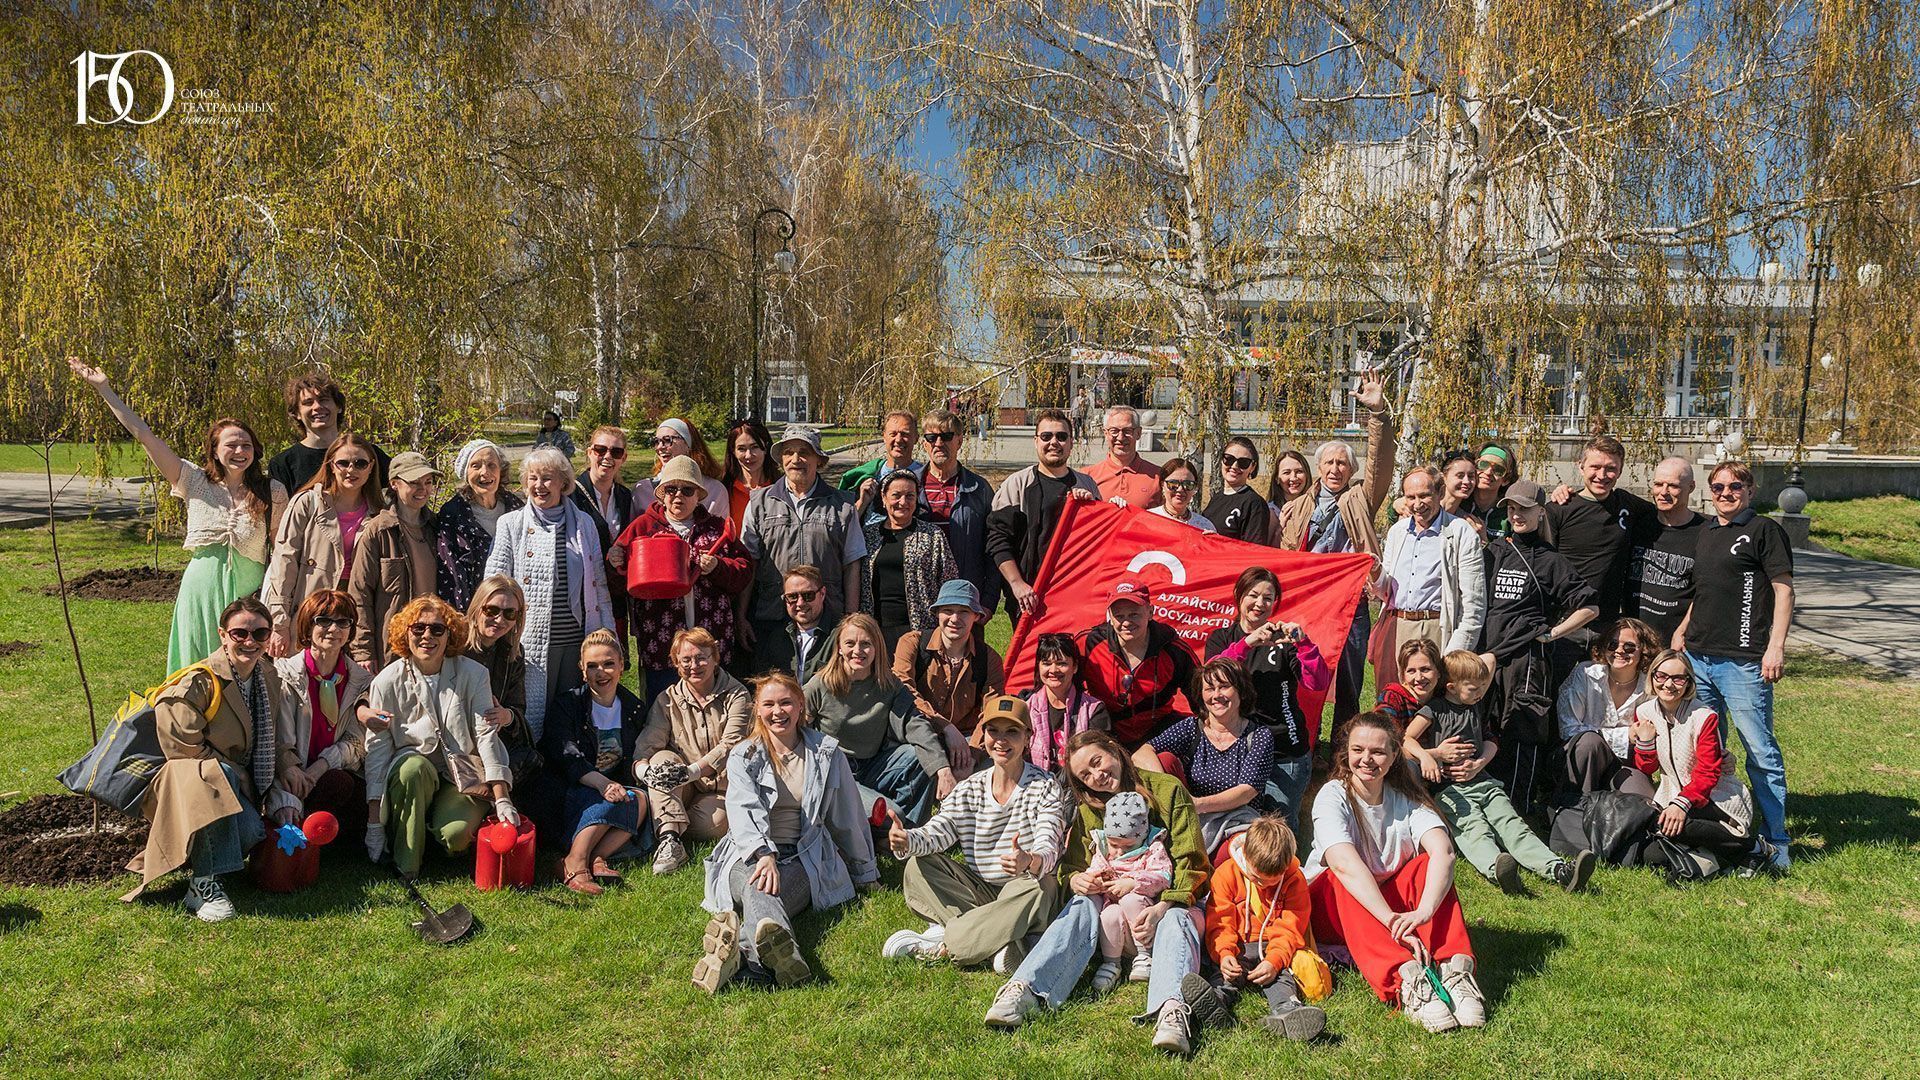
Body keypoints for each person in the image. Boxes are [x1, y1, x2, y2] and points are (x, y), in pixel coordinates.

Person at [983, 730, 1218, 1058]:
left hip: (1162, 910)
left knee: (1178, 917)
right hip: (1111, 922)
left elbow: (1192, 865)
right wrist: (1078, 879)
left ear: (1113, 749)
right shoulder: (1090, 807)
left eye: (1097, 761)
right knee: (1082, 901)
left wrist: (1162, 907)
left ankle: (1172, 1011)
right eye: (1085, 775)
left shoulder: (1166, 790)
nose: (1097, 776)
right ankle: (1026, 989)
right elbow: (1072, 866)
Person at [69, 357, 289, 673]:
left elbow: (281, 552)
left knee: (244, 671)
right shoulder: (193, 480)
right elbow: (146, 436)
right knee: (195, 671)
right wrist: (105, 390)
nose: (239, 451)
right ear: (215, 450)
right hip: (199, 589)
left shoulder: (273, 490)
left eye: (246, 445)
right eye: (231, 445)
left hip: (248, 593)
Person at [694, 672, 879, 992]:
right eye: (768, 704)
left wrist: (866, 873)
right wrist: (763, 854)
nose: (777, 711)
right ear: (758, 709)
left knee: (762, 891)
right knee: (758, 880)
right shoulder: (743, 755)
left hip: (802, 857)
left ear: (800, 706)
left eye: (785, 703)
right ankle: (781, 953)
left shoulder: (826, 753)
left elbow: (847, 816)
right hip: (746, 854)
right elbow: (742, 809)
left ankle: (742, 953)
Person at [1302, 711, 1484, 1033]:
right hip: (1330, 909)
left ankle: (1452, 969)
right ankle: (1406, 980)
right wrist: (1390, 921)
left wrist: (1424, 912)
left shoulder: (1407, 799)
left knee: (1426, 866)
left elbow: (1444, 852)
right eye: (1358, 750)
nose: (1366, 760)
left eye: (1377, 751)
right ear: (1347, 752)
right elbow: (1343, 862)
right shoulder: (1333, 795)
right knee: (1341, 875)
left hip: (1387, 907)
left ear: (1394, 754)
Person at [121, 597, 290, 920]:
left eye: (259, 634)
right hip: (185, 780)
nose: (250, 642)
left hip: (231, 778)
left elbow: (273, 733)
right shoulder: (197, 681)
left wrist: (288, 764)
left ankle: (200, 856)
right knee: (218, 776)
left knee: (253, 831)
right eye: (240, 633)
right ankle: (203, 885)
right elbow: (180, 747)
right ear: (222, 635)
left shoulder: (267, 675)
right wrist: (236, 773)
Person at [882, 696, 1070, 972]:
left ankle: (950, 942)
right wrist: (909, 839)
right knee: (917, 866)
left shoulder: (1045, 786)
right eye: (994, 731)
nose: (1001, 740)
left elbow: (1049, 841)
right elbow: (941, 830)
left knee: (1043, 886)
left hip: (1021, 887)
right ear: (984, 737)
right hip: (979, 887)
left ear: (1028, 738)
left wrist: (1029, 859)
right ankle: (1005, 940)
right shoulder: (970, 787)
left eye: (1012, 732)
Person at [1675, 461, 1794, 871]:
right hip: (1699, 657)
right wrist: (1683, 630)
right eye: (1719, 486)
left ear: (1750, 488)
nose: (1726, 493)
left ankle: (1778, 840)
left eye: (1735, 486)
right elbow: (1704, 590)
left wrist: (1775, 647)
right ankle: (1725, 828)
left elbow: (1783, 591)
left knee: (1760, 751)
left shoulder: (1765, 531)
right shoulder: (1707, 532)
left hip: (1743, 662)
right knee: (1709, 751)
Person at [1405, 652, 1595, 895]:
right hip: (1450, 790)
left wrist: (1479, 764)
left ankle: (1558, 870)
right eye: (1474, 688)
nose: (1480, 693)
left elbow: (1489, 660)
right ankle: (1499, 870)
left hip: (1485, 783)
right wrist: (1428, 755)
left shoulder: (1474, 706)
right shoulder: (1435, 709)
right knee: (1474, 831)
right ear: (1451, 687)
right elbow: (1407, 738)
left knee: (1513, 825)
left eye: (1482, 687)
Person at [362, 596, 518, 877]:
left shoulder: (474, 674)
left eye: (437, 629)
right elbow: (377, 750)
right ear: (404, 633)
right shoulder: (386, 681)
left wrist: (502, 796)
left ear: (450, 635)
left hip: (461, 774)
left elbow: (486, 735)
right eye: (418, 628)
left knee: (456, 836)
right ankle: (406, 865)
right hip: (412, 774)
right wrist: (374, 823)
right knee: (413, 768)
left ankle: (435, 837)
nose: (427, 636)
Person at [1276, 371, 1396, 726]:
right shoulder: (1298, 506)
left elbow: (1379, 464)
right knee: (1303, 672)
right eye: (1328, 462)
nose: (1334, 469)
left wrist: (1378, 416)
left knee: (1348, 680)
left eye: (1341, 463)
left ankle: (1343, 745)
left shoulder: (1361, 498)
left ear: (1351, 469)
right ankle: (1305, 743)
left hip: (1351, 602)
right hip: (1309, 602)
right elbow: (1286, 555)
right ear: (1319, 467)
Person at [1478, 478, 1598, 812]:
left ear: (1540, 513)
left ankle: (1518, 807)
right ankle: (1485, 803)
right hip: (1488, 656)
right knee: (1486, 726)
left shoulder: (1550, 560)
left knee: (1521, 730)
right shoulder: (1494, 551)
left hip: (1527, 661)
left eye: (1524, 509)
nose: (1516, 515)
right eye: (1512, 508)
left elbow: (1590, 606)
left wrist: (1553, 633)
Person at [484, 447, 616, 742]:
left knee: (569, 714)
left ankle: (569, 773)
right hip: (528, 639)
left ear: (563, 482)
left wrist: (608, 633)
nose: (539, 485)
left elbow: (598, 583)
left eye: (547, 478)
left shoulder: (584, 523)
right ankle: (530, 771)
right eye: (533, 478)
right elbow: (493, 582)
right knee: (532, 711)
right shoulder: (511, 523)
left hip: (575, 639)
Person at [614, 456, 752, 706]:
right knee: (663, 708)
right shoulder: (643, 527)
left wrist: (719, 567)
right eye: (671, 489)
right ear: (660, 494)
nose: (678, 496)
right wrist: (615, 561)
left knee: (715, 706)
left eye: (687, 490)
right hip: (661, 639)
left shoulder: (717, 528)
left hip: (711, 637)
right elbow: (619, 577)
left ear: (699, 495)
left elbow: (744, 570)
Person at [1204, 567, 1330, 827]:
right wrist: (1247, 644)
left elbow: (1317, 682)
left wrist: (1304, 644)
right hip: (1236, 749)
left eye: (1268, 598)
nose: (1259, 603)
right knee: (1236, 825)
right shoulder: (1222, 638)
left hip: (1283, 751)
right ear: (1239, 596)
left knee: (1277, 828)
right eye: (1253, 595)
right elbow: (1213, 675)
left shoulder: (1284, 641)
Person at [1627, 650, 1767, 879]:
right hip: (1671, 792)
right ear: (1652, 677)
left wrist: (1681, 804)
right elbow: (1647, 768)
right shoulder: (1644, 711)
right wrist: (1645, 742)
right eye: (1661, 676)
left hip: (1714, 795)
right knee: (1654, 847)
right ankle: (1713, 858)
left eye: (1678, 679)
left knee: (1681, 826)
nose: (1668, 684)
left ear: (1688, 683)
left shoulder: (1704, 716)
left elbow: (1708, 773)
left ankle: (1752, 848)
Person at [804, 614, 952, 821]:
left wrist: (942, 768)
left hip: (875, 765)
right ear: (839, 647)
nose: (857, 651)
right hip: (837, 774)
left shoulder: (889, 685)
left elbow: (916, 725)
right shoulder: (820, 685)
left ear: (876, 648)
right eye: (850, 643)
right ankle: (891, 826)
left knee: (918, 755)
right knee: (892, 814)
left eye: (866, 644)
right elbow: (795, 726)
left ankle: (909, 834)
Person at [742, 425, 865, 667]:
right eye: (789, 452)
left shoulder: (842, 506)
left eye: (804, 452)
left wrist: (850, 619)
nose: (796, 459)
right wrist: (741, 615)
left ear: (818, 460)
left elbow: (852, 565)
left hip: (828, 619)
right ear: (781, 460)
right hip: (772, 615)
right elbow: (749, 562)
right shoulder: (759, 503)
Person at [636, 627, 752, 875]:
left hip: (721, 788)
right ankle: (670, 840)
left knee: (716, 824)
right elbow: (647, 745)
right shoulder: (667, 699)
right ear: (676, 664)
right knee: (661, 760)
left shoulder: (737, 694)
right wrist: (646, 772)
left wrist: (691, 772)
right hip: (682, 785)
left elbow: (730, 745)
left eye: (701, 657)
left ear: (715, 658)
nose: (694, 665)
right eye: (685, 660)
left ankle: (665, 815)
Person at [1202, 815, 1328, 1041]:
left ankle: (1287, 1010)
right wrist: (1224, 954)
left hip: (1272, 947)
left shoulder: (1294, 880)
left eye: (1272, 882)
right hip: (1239, 946)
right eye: (1257, 879)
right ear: (1246, 857)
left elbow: (1290, 926)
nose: (1263, 886)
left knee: (1281, 976)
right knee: (1226, 975)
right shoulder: (1225, 874)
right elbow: (1220, 921)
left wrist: (1274, 960)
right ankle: (1214, 1002)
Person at [541, 629, 647, 896]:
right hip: (571, 790)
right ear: (582, 670)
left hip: (610, 789)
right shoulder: (568, 704)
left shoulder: (634, 708)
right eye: (593, 666)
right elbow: (566, 757)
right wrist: (603, 784)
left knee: (642, 799)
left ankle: (597, 857)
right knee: (607, 798)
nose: (601, 672)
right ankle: (573, 861)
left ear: (622, 666)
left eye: (609, 664)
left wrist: (617, 785)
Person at [1542, 435, 1656, 676]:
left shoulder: (1629, 505)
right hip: (1564, 622)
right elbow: (1544, 563)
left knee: (1600, 698)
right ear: (1580, 466)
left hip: (1607, 624)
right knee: (1554, 691)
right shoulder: (1560, 508)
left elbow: (1669, 515)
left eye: (1611, 468)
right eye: (1595, 467)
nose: (1602, 475)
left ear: (1621, 470)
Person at [264, 434, 384, 658]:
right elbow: (284, 563)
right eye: (343, 463)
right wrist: (279, 622)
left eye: (360, 463)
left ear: (371, 467)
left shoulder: (380, 512)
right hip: (311, 604)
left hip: (358, 609)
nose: (351, 470)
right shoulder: (307, 503)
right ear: (331, 465)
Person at [272, 590, 378, 842]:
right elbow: (279, 739)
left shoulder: (361, 681)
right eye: (324, 621)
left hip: (330, 771)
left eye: (343, 622)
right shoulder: (284, 675)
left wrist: (322, 765)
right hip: (290, 774)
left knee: (342, 784)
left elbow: (356, 741)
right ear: (308, 627)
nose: (334, 629)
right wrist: (292, 769)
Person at [1135, 659, 1274, 851]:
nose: (1216, 695)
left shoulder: (1259, 735)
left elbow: (1246, 791)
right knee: (1164, 759)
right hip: (1191, 815)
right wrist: (1171, 789)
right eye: (1209, 689)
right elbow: (1142, 754)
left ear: (1241, 691)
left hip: (1236, 818)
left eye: (1224, 687)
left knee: (1229, 855)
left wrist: (1197, 804)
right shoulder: (1191, 727)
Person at [1370, 465, 1486, 693]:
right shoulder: (1398, 531)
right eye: (1410, 497)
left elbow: (1474, 603)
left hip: (1436, 628)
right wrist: (1375, 572)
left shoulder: (1460, 532)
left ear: (1440, 493)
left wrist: (1455, 653)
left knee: (1432, 705)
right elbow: (1387, 592)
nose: (1417, 504)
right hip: (1396, 624)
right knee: (1390, 700)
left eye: (1424, 495)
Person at [987, 408, 1099, 626]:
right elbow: (997, 541)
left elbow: (1099, 540)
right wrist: (1017, 584)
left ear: (1071, 442)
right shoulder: (1017, 484)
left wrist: (1092, 507)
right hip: (1030, 596)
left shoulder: (1087, 485)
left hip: (1075, 595)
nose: (1054, 442)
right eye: (1046, 436)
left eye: (1061, 436)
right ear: (1036, 441)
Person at [892, 579, 1003, 782]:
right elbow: (904, 691)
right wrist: (944, 727)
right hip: (921, 734)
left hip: (968, 737)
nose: (954, 618)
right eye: (948, 610)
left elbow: (991, 711)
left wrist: (971, 756)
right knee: (913, 760)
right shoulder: (912, 644)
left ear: (976, 617)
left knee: (997, 769)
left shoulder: (989, 659)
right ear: (937, 613)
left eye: (964, 612)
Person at [346, 451, 442, 674]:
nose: (423, 489)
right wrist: (363, 650)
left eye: (428, 482)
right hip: (392, 647)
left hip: (432, 643)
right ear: (395, 484)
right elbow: (360, 594)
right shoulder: (378, 531)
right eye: (415, 483)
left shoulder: (437, 528)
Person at [1077, 577, 1197, 749]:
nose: (1126, 622)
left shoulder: (1174, 650)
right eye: (1119, 616)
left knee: (1170, 762)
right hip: (1104, 731)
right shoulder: (1088, 643)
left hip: (1158, 733)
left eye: (1134, 614)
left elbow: (1201, 696)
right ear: (1110, 616)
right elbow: (1062, 683)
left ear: (1150, 612)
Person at [859, 469, 959, 653]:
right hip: (875, 628)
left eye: (910, 496)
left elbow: (948, 580)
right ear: (884, 497)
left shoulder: (932, 535)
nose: (903, 502)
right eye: (896, 495)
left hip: (919, 627)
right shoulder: (868, 535)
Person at [1558, 618, 1660, 798]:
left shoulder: (1650, 685)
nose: (1619, 651)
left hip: (1626, 764)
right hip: (1583, 760)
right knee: (1589, 741)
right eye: (1612, 645)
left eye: (1628, 647)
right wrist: (1626, 735)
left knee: (1642, 802)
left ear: (1643, 650)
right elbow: (1569, 729)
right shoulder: (1585, 673)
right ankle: (1575, 805)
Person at [1083, 791, 1174, 990]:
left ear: (1141, 837)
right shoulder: (1105, 848)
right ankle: (1111, 962)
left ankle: (1144, 955)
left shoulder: (1152, 848)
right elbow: (1095, 868)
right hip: (1115, 911)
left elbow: (1163, 876)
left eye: (1128, 846)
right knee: (1108, 914)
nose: (1119, 852)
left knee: (1130, 900)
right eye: (1115, 845)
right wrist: (1093, 879)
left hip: (1141, 909)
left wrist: (1134, 883)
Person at [916, 407, 1001, 618]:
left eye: (946, 436)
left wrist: (989, 601)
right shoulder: (910, 488)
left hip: (965, 599)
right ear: (924, 442)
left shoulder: (979, 489)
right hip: (918, 596)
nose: (939, 443)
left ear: (959, 441)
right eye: (932, 437)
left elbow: (994, 547)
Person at [463, 575, 540, 790]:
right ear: (478, 607)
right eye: (492, 610)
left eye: (509, 613)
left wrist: (507, 716)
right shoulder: (454, 643)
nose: (499, 620)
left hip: (493, 739)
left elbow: (518, 708)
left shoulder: (512, 653)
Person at [266, 371, 392, 493]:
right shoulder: (282, 464)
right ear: (296, 413)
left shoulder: (369, 455)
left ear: (339, 407)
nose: (317, 407)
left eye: (324, 399)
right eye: (308, 402)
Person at [1625, 457, 1705, 648]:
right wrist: (1566, 493)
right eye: (1658, 484)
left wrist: (1684, 630)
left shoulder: (1705, 531)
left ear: (1691, 487)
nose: (1663, 492)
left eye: (1673, 486)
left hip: (1677, 642)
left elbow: (1706, 591)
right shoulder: (1637, 522)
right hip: (1632, 639)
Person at [435, 439, 523, 612]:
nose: (485, 472)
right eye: (476, 466)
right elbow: (451, 574)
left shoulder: (516, 507)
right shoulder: (453, 514)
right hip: (475, 612)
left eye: (492, 465)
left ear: (501, 470)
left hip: (513, 612)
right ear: (465, 473)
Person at [1025, 633, 1111, 774]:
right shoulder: (1026, 707)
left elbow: (1100, 759)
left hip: (1080, 787)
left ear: (1075, 667)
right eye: (1046, 663)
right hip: (1034, 786)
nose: (1053, 670)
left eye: (1061, 663)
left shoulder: (1094, 710)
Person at [633, 417, 729, 518]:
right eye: (656, 441)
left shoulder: (714, 491)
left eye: (667, 440)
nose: (660, 447)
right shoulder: (642, 490)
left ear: (687, 444)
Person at [754, 565, 837, 681]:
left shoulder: (840, 635)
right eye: (792, 597)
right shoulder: (775, 638)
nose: (800, 603)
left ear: (822, 594)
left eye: (808, 595)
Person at [841, 410, 923, 510]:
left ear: (916, 438)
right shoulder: (866, 475)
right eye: (893, 434)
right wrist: (862, 502)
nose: (898, 440)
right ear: (884, 436)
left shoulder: (924, 477)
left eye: (905, 434)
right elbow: (846, 522)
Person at [1087, 405, 1162, 510]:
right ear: (1105, 433)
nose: (1120, 437)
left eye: (1127, 431)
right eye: (1114, 431)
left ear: (1138, 433)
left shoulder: (1158, 477)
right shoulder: (1087, 477)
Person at [573, 425, 635, 547]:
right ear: (590, 453)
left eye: (616, 452)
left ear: (623, 458)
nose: (607, 456)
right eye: (600, 450)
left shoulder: (625, 496)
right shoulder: (571, 494)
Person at [1203, 437, 1272, 543]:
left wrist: (1219, 542)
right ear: (1222, 460)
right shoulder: (1217, 497)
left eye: (1243, 462)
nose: (1234, 466)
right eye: (1229, 459)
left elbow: (1254, 550)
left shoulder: (1254, 503)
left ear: (1252, 467)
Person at [721, 418, 779, 534]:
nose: (748, 455)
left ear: (765, 448)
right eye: (741, 449)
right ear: (733, 451)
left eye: (754, 447)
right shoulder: (724, 490)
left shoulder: (780, 488)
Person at [1377, 638, 1444, 728]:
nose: (1419, 678)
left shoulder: (1445, 697)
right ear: (1403, 675)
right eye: (1411, 671)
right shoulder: (1392, 698)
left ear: (1438, 671)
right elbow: (1382, 732)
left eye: (1425, 669)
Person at [1465, 442, 1519, 538]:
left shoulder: (1510, 514)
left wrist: (1484, 541)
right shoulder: (1460, 503)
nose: (1488, 472)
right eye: (1483, 464)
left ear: (1506, 480)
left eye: (1498, 469)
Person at [1147, 457, 1214, 532]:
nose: (1180, 489)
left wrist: (1211, 541)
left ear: (1194, 488)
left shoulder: (1205, 526)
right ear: (1162, 485)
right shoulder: (1146, 520)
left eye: (1188, 484)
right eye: (1173, 483)